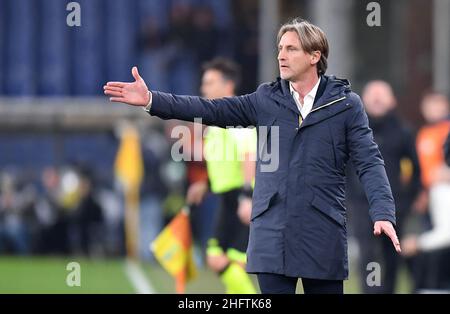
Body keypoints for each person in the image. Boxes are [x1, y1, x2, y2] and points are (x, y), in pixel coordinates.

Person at [104, 18, 401, 294]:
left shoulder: (346, 105)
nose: (281, 55)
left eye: (291, 49)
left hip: (321, 235)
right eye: (280, 48)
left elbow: (369, 161)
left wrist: (383, 211)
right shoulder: (265, 99)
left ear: (314, 56)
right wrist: (153, 100)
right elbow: (211, 110)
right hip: (272, 235)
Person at [185, 58, 257, 293]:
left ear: (227, 86)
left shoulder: (236, 115)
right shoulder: (217, 120)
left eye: (209, 83)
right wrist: (204, 185)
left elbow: (249, 155)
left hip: (242, 196)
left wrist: (247, 197)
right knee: (217, 258)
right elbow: (224, 159)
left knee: (235, 263)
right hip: (227, 197)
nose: (203, 88)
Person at [346, 81, 421, 293]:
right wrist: (349, 197)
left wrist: (407, 201)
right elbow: (343, 169)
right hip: (362, 205)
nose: (377, 99)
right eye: (373, 95)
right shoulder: (354, 130)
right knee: (369, 255)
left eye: (382, 95)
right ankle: (372, 291)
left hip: (395, 206)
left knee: (391, 255)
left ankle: (388, 290)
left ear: (392, 100)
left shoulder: (403, 131)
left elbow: (416, 170)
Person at [401, 93, 450, 291]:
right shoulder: (424, 133)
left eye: (436, 105)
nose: (432, 110)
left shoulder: (447, 130)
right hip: (430, 195)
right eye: (428, 106)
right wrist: (422, 192)